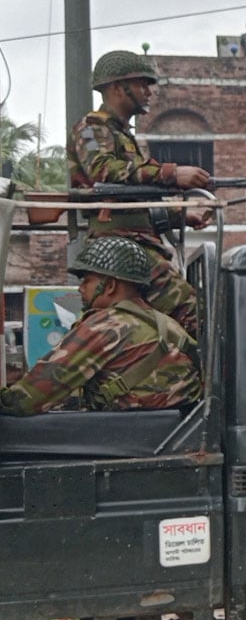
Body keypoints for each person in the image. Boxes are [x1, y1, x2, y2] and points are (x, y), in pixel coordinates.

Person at [69, 50, 212, 339]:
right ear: (118, 87)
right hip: (119, 244)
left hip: (134, 241)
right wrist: (171, 174)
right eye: (142, 85)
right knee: (198, 316)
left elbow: (131, 202)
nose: (148, 92)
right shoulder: (90, 128)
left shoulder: (121, 135)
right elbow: (102, 170)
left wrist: (182, 216)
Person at [0, 237, 201, 416]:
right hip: (171, 431)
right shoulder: (164, 323)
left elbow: (26, 400)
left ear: (111, 285)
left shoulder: (105, 325)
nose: (80, 288)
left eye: (87, 280)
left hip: (131, 438)